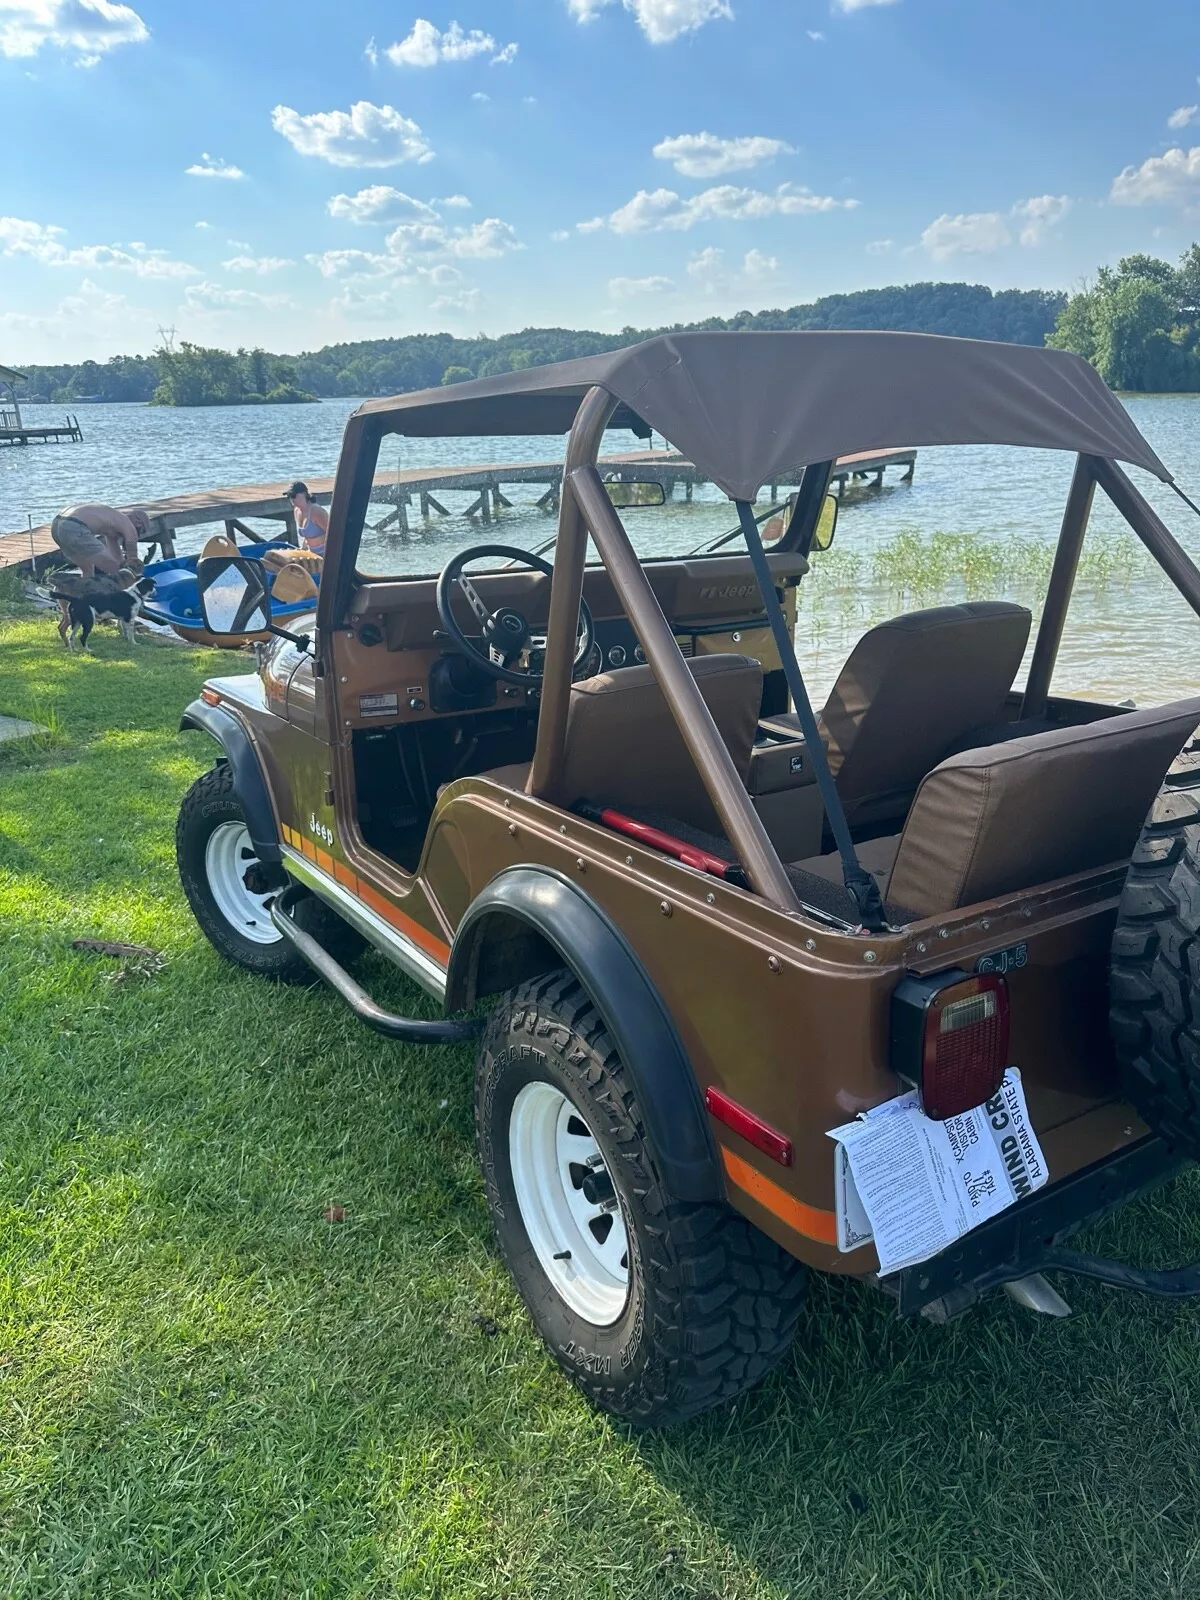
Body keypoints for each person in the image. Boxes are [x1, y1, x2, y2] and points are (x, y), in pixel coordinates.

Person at [50, 503, 149, 579]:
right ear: (138, 522)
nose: (137, 535)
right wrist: (137, 576)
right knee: (118, 572)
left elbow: (117, 558)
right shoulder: (127, 523)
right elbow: (133, 563)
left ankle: (86, 598)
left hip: (57, 524)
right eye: (140, 531)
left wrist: (121, 563)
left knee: (88, 570)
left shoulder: (113, 521)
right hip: (74, 526)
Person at [285, 481, 328, 558]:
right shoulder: (297, 510)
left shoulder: (316, 511)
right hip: (311, 553)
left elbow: (334, 533)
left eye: (293, 495)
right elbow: (306, 536)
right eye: (289, 496)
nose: (291, 499)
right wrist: (302, 549)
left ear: (304, 494)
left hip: (325, 553)